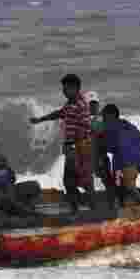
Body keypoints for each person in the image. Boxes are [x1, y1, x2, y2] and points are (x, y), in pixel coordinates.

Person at [30, 74, 95, 212]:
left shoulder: (80, 105)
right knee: (70, 180)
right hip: (72, 148)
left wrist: (75, 146)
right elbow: (60, 113)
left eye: (67, 88)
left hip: (79, 147)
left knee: (82, 180)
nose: (64, 91)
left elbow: (85, 128)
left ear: (76, 88)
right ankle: (77, 207)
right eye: (63, 88)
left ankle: (91, 209)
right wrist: (41, 119)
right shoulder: (70, 104)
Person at [99, 104, 140, 209]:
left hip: (123, 163)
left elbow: (109, 147)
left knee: (127, 187)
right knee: (127, 188)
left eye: (104, 115)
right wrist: (134, 148)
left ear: (111, 115)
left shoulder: (110, 127)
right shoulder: (129, 125)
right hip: (138, 162)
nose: (103, 118)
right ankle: (129, 211)